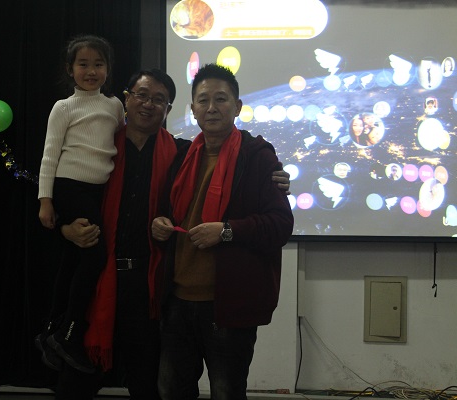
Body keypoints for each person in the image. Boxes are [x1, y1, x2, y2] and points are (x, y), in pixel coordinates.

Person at [36, 68, 292, 399]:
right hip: (106, 283)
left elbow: (276, 220)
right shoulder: (102, 147)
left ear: (169, 109)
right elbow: (69, 192)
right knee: (82, 386)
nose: (148, 104)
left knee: (168, 388)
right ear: (126, 100)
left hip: (157, 290)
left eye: (159, 99)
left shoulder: (188, 154)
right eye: (141, 95)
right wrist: (65, 227)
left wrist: (268, 187)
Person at [151, 63, 294, 400]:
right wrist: (159, 223)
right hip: (177, 301)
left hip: (228, 306)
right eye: (203, 100)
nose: (211, 107)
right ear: (192, 109)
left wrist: (226, 231)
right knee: (171, 390)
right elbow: (167, 211)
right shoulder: (183, 156)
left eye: (221, 99)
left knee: (227, 392)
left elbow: (280, 225)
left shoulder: (257, 157)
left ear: (238, 106)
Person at [37, 34, 125, 374]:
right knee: (95, 254)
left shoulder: (114, 106)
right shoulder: (63, 107)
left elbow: (121, 141)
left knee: (74, 258)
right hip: (70, 186)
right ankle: (69, 333)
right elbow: (49, 155)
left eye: (98, 64)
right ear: (70, 69)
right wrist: (46, 201)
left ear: (108, 69)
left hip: (98, 191)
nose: (91, 71)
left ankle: (52, 328)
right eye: (83, 64)